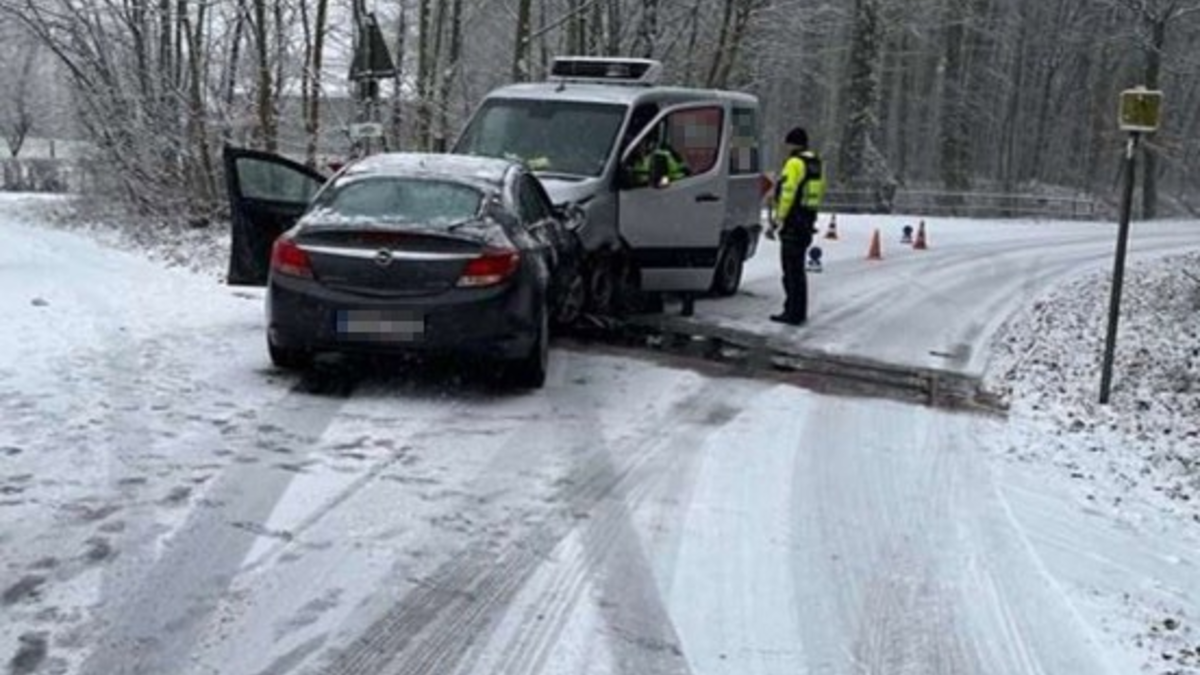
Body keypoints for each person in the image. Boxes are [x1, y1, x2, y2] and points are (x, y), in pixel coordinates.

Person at [770, 127, 826, 326]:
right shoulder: (815, 163)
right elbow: (818, 191)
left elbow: (788, 192)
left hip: (793, 221)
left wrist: (779, 218)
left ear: (793, 144)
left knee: (790, 270)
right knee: (798, 270)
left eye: (788, 143)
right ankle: (798, 310)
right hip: (807, 219)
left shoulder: (794, 163)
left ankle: (791, 311)